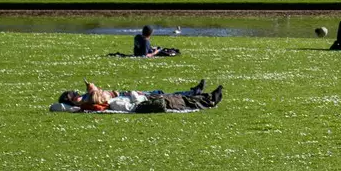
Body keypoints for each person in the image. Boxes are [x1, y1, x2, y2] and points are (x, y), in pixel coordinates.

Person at [54, 80, 220, 113]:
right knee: (169, 98)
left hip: (127, 96)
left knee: (166, 95)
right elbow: (99, 98)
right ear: (71, 100)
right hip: (130, 99)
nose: (76, 94)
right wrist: (92, 90)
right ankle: (203, 97)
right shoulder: (87, 101)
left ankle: (198, 94)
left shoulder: (85, 98)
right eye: (73, 95)